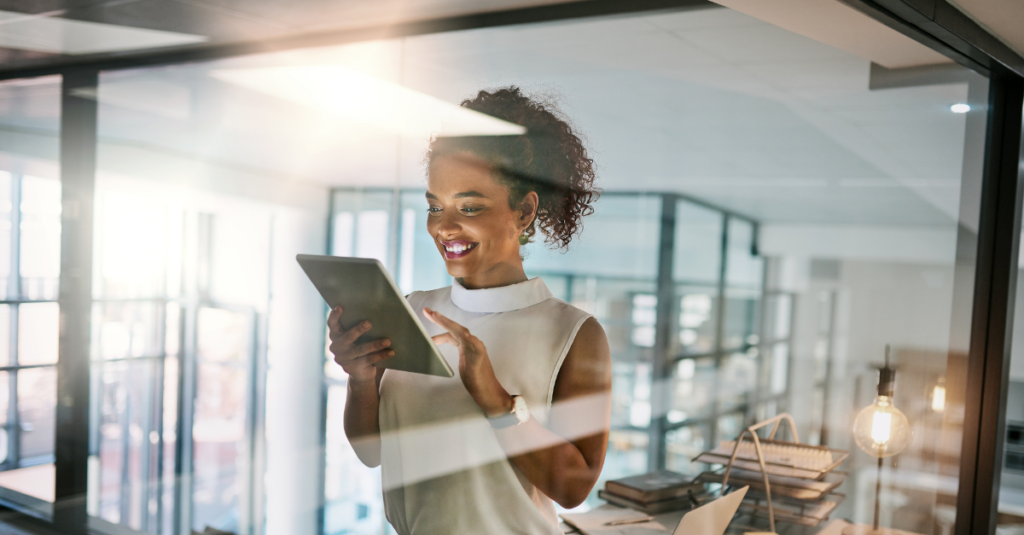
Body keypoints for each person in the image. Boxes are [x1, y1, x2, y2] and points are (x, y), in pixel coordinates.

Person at [328, 86, 612, 534]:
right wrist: (360, 380)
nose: (443, 225)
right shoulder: (412, 310)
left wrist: (497, 401)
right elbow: (371, 451)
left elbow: (575, 487)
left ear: (524, 211)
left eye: (470, 206)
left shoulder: (573, 332)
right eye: (434, 206)